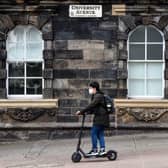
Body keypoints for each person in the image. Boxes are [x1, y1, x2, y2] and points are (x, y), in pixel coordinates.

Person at [76, 81, 110, 156]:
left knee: (94, 132)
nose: (89, 89)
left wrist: (81, 111)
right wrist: (86, 113)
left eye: (90, 88)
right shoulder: (97, 96)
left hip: (101, 118)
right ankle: (102, 149)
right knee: (100, 134)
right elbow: (94, 108)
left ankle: (95, 149)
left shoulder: (98, 96)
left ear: (94, 88)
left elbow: (91, 105)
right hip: (102, 117)